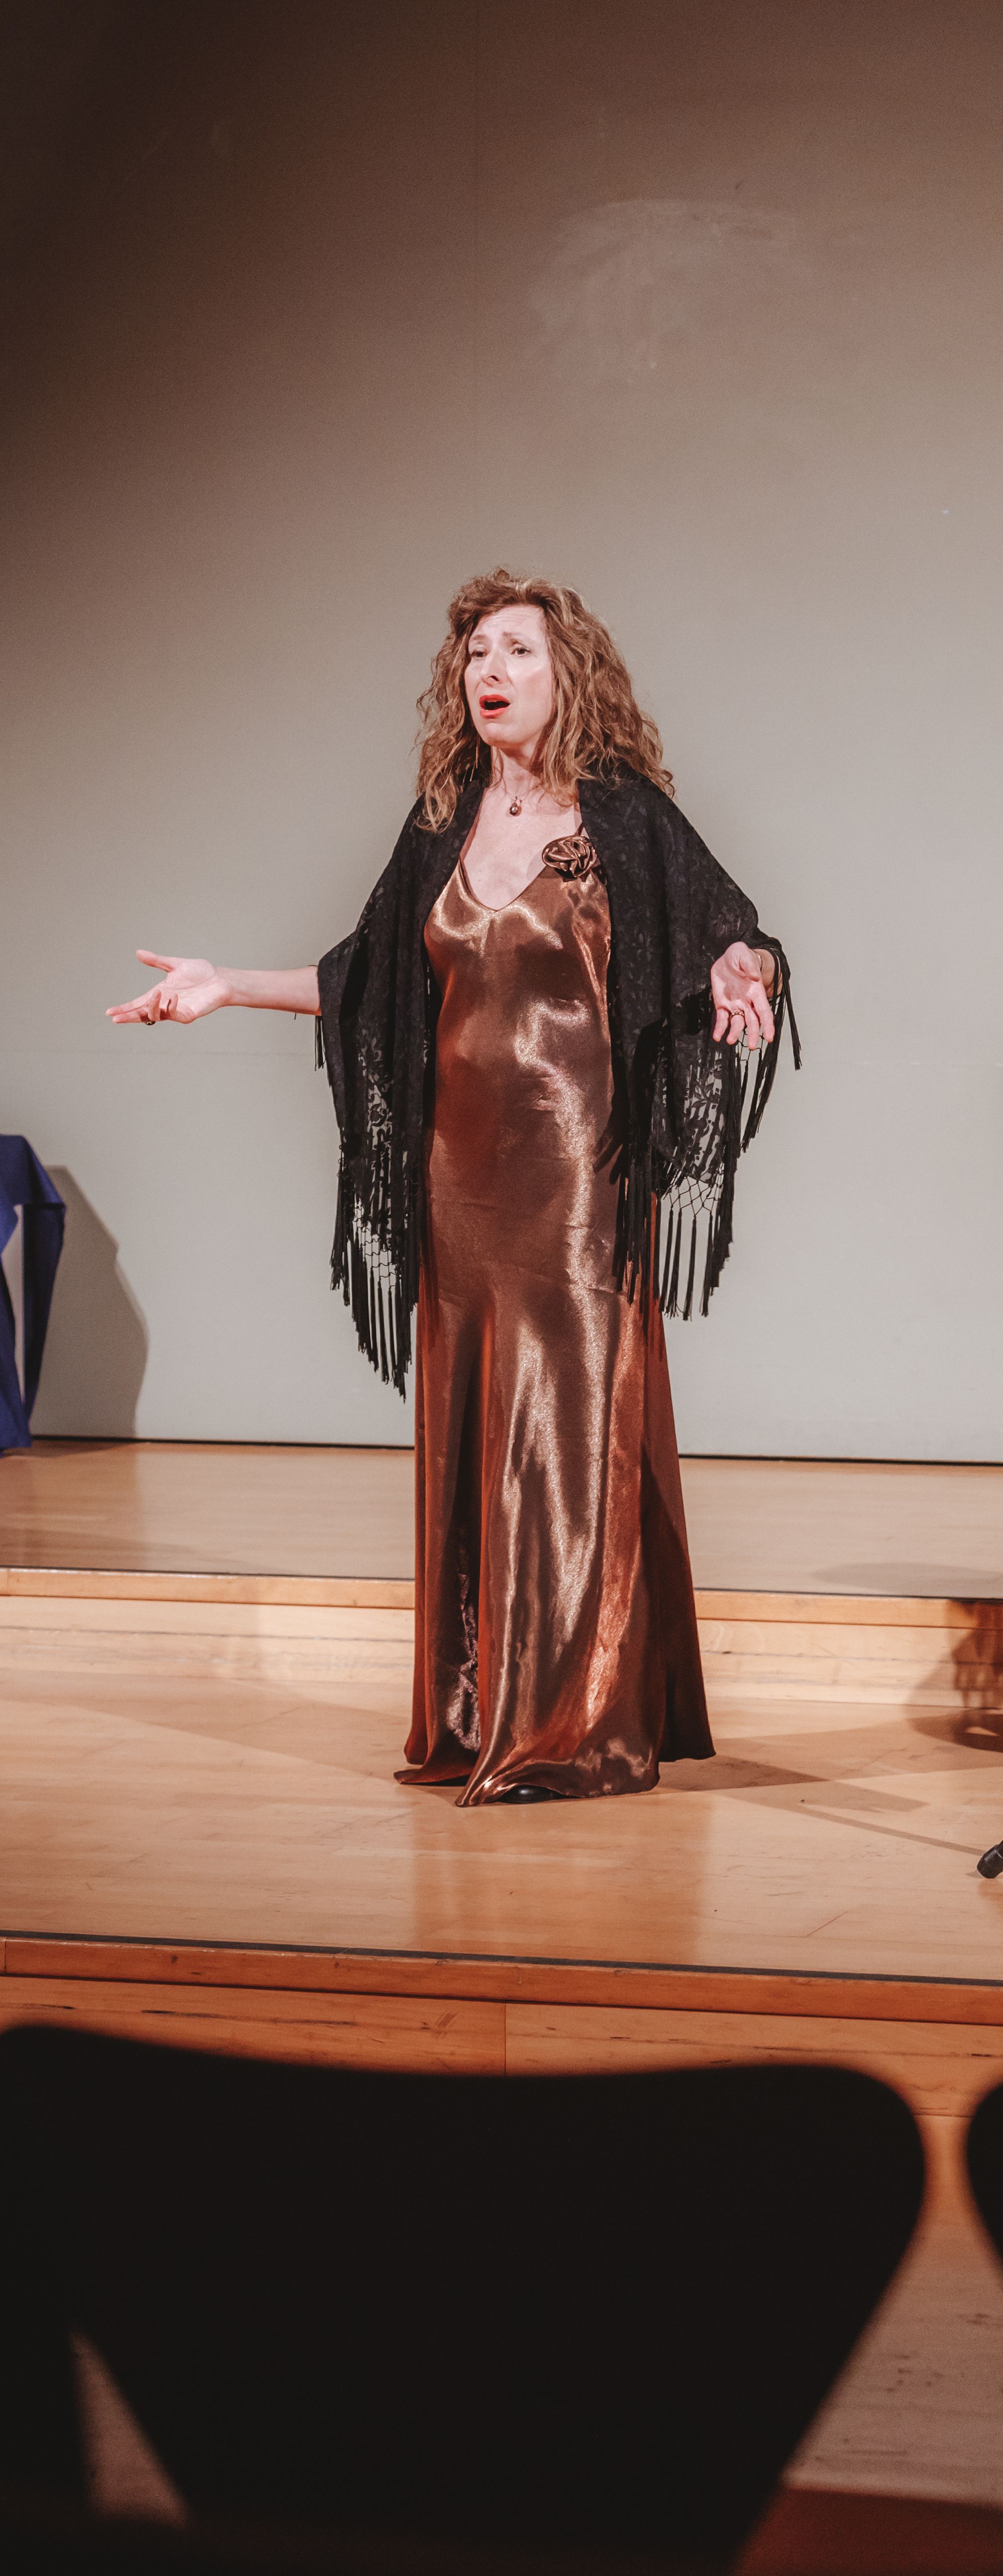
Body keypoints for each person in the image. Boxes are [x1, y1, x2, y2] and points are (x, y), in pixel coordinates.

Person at [109, 571, 795, 1806]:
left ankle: (574, 1725)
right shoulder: (444, 821)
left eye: (517, 651)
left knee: (568, 1431)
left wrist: (741, 969)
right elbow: (368, 976)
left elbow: (721, 929)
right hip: (457, 1179)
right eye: (477, 652)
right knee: (480, 1429)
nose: (491, 670)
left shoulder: (624, 816)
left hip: (579, 1170)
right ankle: (483, 1709)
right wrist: (227, 985)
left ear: (565, 672)